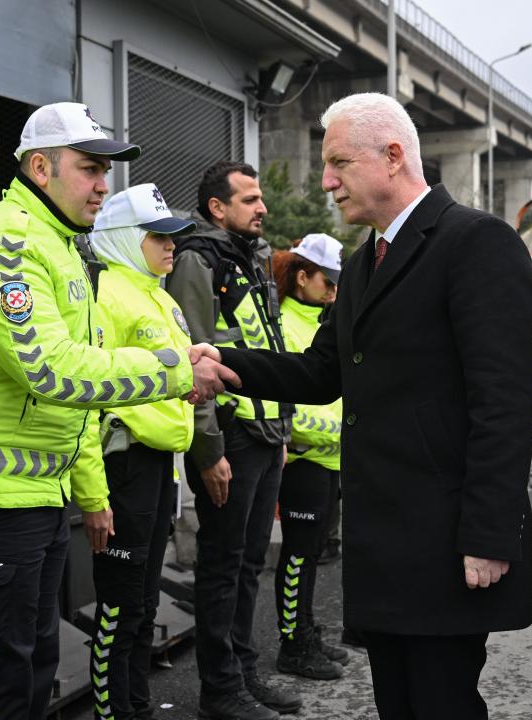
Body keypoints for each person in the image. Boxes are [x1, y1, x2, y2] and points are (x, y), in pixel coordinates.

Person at [210, 92, 532, 720]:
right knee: (399, 703)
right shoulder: (366, 262)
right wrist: (224, 365)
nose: (326, 181)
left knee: (442, 703)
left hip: (446, 540)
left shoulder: (475, 242)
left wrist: (489, 533)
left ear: (392, 157)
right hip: (385, 542)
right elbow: (320, 373)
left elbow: (504, 401)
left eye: (338, 163)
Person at [0, 103, 232, 720]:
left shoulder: (61, 248)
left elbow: (86, 386)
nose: (102, 185)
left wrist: (87, 489)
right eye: (90, 168)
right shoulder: (5, 243)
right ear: (41, 168)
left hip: (38, 495)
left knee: (34, 671)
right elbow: (53, 369)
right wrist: (176, 371)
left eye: (105, 171)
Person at [164, 161, 298, 720]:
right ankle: (220, 691)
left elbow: (268, 347)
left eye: (260, 197)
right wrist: (209, 448)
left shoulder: (252, 257)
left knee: (248, 563)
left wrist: (281, 428)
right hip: (232, 437)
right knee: (222, 565)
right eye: (249, 199)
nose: (262, 208)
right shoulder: (199, 259)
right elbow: (195, 362)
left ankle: (243, 676)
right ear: (217, 208)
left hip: (264, 434)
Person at [85, 182, 198, 720]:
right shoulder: (106, 295)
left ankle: (137, 706)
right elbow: (91, 394)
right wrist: (95, 491)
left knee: (144, 602)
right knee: (119, 606)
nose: (171, 245)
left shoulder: (159, 294)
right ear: (126, 239)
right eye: (158, 236)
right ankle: (114, 711)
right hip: (123, 462)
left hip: (157, 462)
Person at [267, 233, 350, 681]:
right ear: (302, 277)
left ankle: (307, 631)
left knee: (314, 553)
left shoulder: (323, 321)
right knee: (298, 556)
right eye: (327, 280)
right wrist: (339, 434)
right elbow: (288, 403)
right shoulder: (282, 323)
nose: (333, 290)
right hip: (304, 462)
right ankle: (293, 645)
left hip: (330, 460)